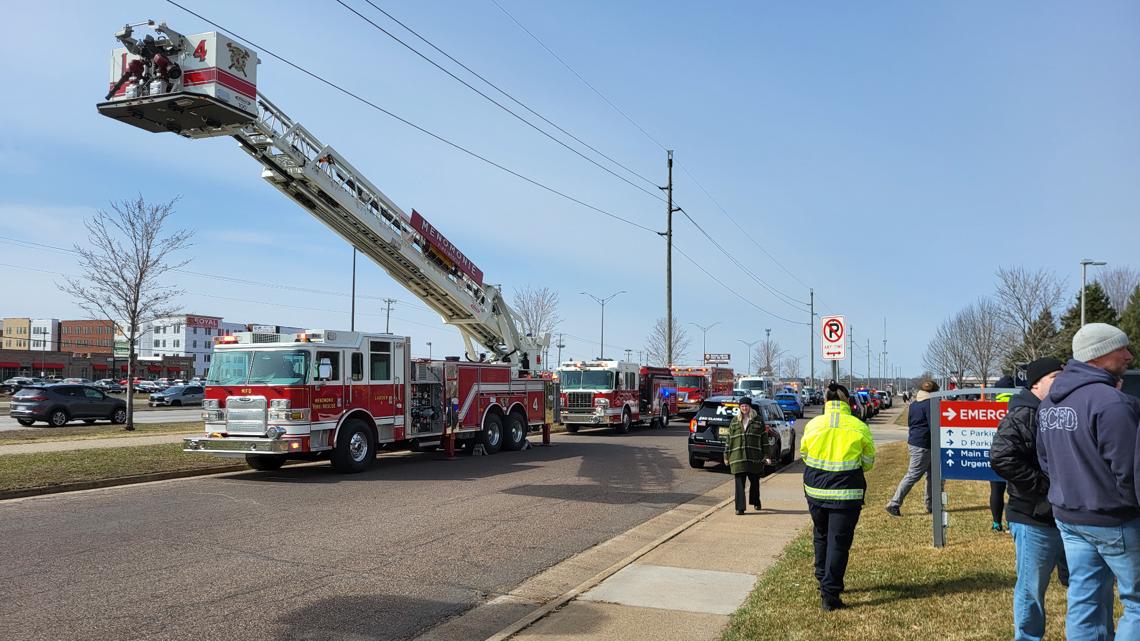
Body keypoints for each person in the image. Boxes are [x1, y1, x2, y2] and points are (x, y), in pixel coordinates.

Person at [1038, 323, 1140, 641]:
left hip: (1069, 517)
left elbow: (1045, 461)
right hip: (1113, 518)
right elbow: (1130, 471)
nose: (1128, 355)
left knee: (1085, 600)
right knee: (1136, 605)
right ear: (1098, 355)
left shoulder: (1049, 404)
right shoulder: (1111, 403)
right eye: (1120, 348)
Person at [990, 357, 1068, 641]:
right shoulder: (1024, 413)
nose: (1063, 384)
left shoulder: (1055, 411)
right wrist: (1045, 488)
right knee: (1031, 589)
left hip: (1062, 515)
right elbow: (1001, 456)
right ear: (1036, 383)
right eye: (1055, 378)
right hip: (1033, 516)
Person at [801, 382, 876, 611]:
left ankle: (821, 577)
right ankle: (830, 594)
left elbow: (804, 454)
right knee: (838, 542)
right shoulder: (858, 426)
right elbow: (868, 462)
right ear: (846, 402)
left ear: (825, 401)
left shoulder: (814, 424)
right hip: (846, 493)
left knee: (821, 533)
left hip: (815, 490)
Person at [886, 379, 939, 516]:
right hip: (923, 445)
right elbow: (934, 426)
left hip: (916, 442)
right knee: (913, 475)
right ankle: (894, 503)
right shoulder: (931, 405)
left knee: (933, 475)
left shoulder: (915, 404)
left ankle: (932, 505)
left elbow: (910, 423)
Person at [726, 397, 770, 515]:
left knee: (754, 481)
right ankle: (740, 508)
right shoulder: (734, 421)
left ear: (750, 407)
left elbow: (764, 440)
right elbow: (728, 440)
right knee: (739, 483)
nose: (744, 408)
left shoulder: (758, 421)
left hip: (754, 457)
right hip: (738, 457)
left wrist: (766, 455)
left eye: (746, 406)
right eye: (742, 406)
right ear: (739, 408)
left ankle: (755, 501)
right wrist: (726, 456)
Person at [989, 375, 1016, 533]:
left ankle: (996, 523)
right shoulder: (1017, 405)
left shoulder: (992, 407)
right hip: (1014, 453)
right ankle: (1012, 523)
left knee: (996, 490)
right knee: (1015, 490)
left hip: (996, 453)